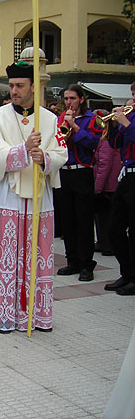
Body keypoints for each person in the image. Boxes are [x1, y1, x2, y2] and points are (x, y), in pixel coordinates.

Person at [0, 62, 67, 333]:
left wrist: (45, 157)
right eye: (11, 86)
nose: (14, 91)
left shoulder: (50, 119)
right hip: (8, 194)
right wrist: (22, 150)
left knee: (38, 253)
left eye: (20, 86)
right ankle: (5, 315)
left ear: (34, 87)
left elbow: (61, 153)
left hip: (40, 195)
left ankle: (37, 314)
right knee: (7, 254)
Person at [54, 84, 102, 281]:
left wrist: (74, 126)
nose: (68, 102)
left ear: (81, 99)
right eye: (66, 99)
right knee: (67, 220)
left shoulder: (92, 119)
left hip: (83, 172)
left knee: (83, 220)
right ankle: (72, 261)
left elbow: (94, 143)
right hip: (64, 172)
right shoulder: (60, 118)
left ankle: (86, 264)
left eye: (72, 98)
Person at [104, 89, 135, 296]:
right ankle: (127, 273)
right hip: (127, 176)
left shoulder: (130, 120)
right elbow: (115, 145)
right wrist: (114, 125)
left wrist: (125, 123)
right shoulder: (130, 116)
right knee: (114, 228)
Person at [92, 110, 122, 257]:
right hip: (111, 183)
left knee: (104, 217)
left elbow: (105, 164)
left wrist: (97, 186)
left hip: (108, 184)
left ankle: (106, 244)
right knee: (104, 216)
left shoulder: (106, 140)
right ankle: (104, 243)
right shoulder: (108, 138)